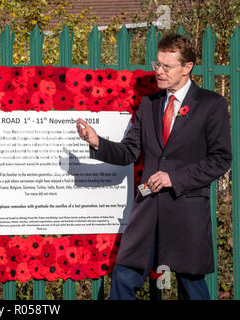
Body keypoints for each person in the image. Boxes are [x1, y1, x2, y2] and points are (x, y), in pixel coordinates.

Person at [76, 33, 231, 300]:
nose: (158, 71)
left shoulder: (211, 104)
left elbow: (220, 159)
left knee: (191, 286)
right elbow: (128, 152)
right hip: (148, 210)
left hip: (186, 211)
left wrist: (174, 178)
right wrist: (96, 141)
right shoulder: (149, 104)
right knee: (123, 276)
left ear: (187, 67)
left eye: (167, 66)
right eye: (156, 64)